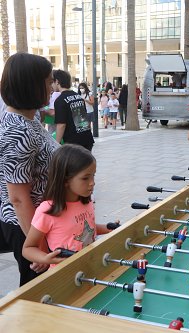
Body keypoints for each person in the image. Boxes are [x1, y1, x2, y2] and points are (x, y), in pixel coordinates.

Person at [0, 53, 59, 286]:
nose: (53, 87)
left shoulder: (29, 118)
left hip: (40, 220)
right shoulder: (18, 131)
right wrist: (38, 248)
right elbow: (18, 198)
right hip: (26, 224)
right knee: (38, 291)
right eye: (48, 81)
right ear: (31, 85)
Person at [22, 144, 115, 267]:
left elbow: (84, 230)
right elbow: (28, 248)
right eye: (85, 178)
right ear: (65, 180)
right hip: (65, 275)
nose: (92, 183)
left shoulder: (87, 202)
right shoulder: (47, 210)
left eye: (93, 175)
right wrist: (45, 258)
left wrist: (109, 228)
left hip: (90, 266)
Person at [53, 70, 95, 151]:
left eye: (52, 82)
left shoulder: (60, 100)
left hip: (73, 143)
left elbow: (61, 125)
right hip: (87, 139)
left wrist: (56, 144)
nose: (51, 85)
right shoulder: (78, 97)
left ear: (57, 81)